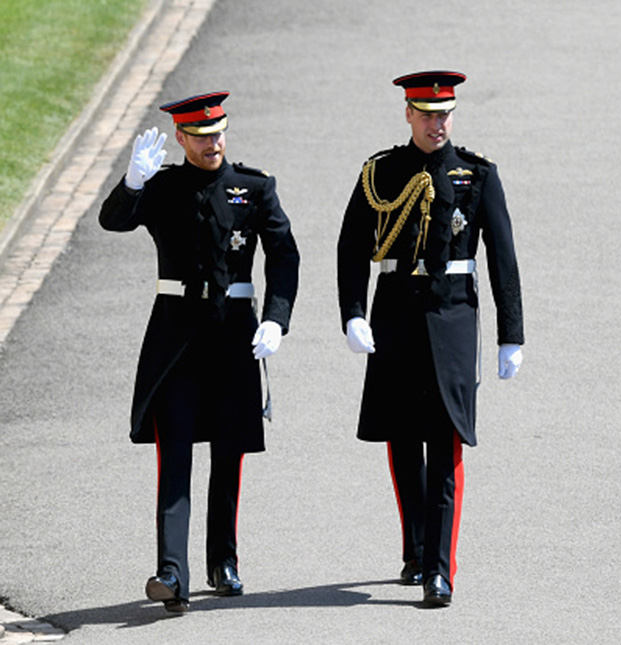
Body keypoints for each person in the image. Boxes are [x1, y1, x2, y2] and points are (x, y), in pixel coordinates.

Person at [99, 91, 300, 613]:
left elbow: (284, 255)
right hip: (176, 338)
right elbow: (113, 221)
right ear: (182, 139)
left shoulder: (253, 188)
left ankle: (223, 560)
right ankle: (172, 571)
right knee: (176, 456)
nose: (212, 143)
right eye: (201, 136)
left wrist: (277, 319)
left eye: (218, 133)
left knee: (228, 454)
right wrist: (133, 183)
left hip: (233, 334)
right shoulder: (163, 186)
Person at [337, 71, 524, 607]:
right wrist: (352, 313)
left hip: (452, 317)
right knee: (401, 437)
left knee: (444, 440)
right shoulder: (382, 172)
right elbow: (352, 245)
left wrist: (511, 334)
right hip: (395, 311)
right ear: (408, 114)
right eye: (426, 114)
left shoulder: (476, 174)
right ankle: (416, 547)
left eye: (444, 114)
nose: (436, 124)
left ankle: (439, 569)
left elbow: (502, 259)